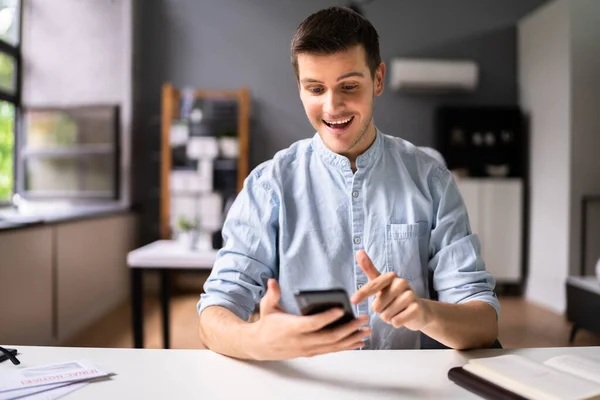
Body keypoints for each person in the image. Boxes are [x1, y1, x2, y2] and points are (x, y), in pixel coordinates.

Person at [197, 6, 499, 360]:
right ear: (300, 89)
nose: (332, 106)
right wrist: (256, 340)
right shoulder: (269, 185)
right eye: (315, 88)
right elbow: (213, 314)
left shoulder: (430, 178)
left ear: (379, 79)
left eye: (349, 86)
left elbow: (484, 324)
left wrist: (424, 312)